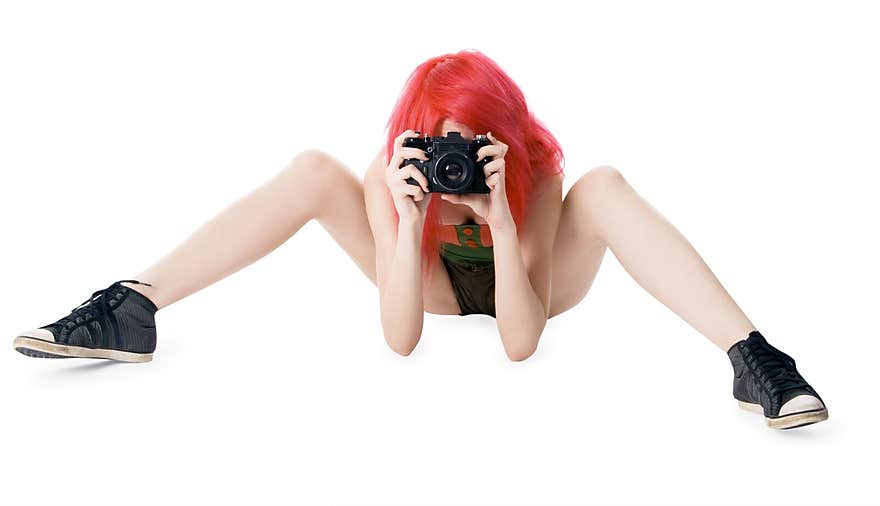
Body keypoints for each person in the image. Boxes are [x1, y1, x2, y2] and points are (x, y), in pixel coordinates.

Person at [12, 49, 827, 430]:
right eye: (440, 145)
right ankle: (132, 306)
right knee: (308, 169)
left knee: (606, 184)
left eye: (470, 148)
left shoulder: (534, 171)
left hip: (535, 286)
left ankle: (755, 360)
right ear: (414, 138)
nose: (452, 163)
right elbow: (401, 339)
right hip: (427, 278)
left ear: (500, 138)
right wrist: (408, 222)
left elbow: (520, 340)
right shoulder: (393, 173)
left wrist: (503, 216)